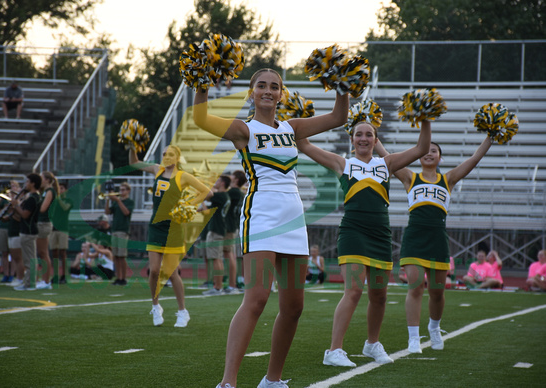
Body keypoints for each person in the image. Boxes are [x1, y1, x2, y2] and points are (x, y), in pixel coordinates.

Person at [194, 68, 349, 388]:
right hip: (261, 216)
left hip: (293, 219)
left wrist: (343, 86)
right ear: (251, 92)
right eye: (261, 86)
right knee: (257, 298)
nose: (268, 90)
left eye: (275, 86)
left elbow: (337, 117)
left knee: (294, 307)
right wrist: (201, 84)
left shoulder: (292, 128)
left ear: (282, 93)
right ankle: (228, 382)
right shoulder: (243, 129)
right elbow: (201, 119)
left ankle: (272, 379)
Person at [296, 116, 431, 367]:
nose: (364, 139)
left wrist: (424, 118)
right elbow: (304, 145)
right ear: (351, 140)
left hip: (380, 234)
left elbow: (422, 148)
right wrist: (300, 115)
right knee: (354, 290)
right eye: (359, 134)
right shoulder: (342, 163)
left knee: (379, 295)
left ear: (375, 140)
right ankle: (334, 350)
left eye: (369, 134)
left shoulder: (386, 163)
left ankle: (372, 344)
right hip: (353, 232)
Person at [376, 135, 493, 353]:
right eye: (426, 150)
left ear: (440, 158)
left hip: (438, 238)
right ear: (419, 154)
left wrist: (490, 137)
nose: (429, 153)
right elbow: (387, 158)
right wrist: (375, 139)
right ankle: (413, 338)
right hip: (415, 237)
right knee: (415, 287)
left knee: (438, 291)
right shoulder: (410, 177)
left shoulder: (448, 179)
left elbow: (474, 159)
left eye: (434, 151)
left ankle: (434, 327)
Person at [130, 144, 211, 328]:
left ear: (177, 157)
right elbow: (134, 162)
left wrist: (189, 203)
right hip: (156, 227)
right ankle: (155, 306)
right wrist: (131, 145)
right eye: (164, 153)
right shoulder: (157, 169)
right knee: (154, 271)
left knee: (172, 273)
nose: (166, 156)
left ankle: (183, 311)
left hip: (174, 228)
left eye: (170, 154)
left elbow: (208, 192)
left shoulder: (183, 176)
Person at [200, 175, 231, 296]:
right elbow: (208, 210)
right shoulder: (224, 196)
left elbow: (207, 194)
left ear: (223, 183)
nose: (215, 182)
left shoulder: (220, 196)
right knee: (216, 258)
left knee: (216, 259)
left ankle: (218, 287)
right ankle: (217, 286)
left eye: (217, 181)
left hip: (216, 230)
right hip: (219, 229)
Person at [11, 173, 42, 291]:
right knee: (29, 259)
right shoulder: (34, 197)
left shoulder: (33, 198)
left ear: (33, 183)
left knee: (29, 260)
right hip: (28, 230)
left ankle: (30, 284)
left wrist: (16, 204)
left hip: (28, 231)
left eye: (27, 182)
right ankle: (29, 282)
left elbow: (24, 214)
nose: (25, 184)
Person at [105, 182, 134, 286]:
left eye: (123, 190)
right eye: (120, 189)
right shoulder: (117, 202)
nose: (121, 192)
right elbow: (107, 212)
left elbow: (126, 212)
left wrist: (117, 200)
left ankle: (123, 278)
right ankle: (118, 277)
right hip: (114, 230)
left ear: (128, 191)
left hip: (123, 230)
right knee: (116, 255)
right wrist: (108, 198)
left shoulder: (130, 202)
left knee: (122, 256)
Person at [223, 170, 246, 293]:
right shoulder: (239, 193)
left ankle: (232, 284)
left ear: (236, 180)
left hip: (229, 226)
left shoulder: (233, 192)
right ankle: (234, 282)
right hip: (234, 225)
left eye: (232, 175)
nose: (230, 177)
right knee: (230, 253)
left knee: (229, 254)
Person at [35, 171, 58, 290]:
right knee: (42, 253)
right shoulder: (45, 192)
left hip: (44, 223)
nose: (40, 181)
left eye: (42, 178)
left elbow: (43, 208)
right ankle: (44, 280)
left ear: (47, 180)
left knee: (43, 253)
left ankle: (46, 280)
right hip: (42, 223)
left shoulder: (49, 192)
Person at [49, 182, 73, 284]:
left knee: (63, 253)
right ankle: (55, 275)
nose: (60, 190)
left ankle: (64, 275)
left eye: (62, 188)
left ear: (66, 190)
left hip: (63, 229)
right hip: (53, 229)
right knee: (54, 253)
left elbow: (65, 208)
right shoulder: (54, 201)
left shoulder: (68, 200)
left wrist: (58, 198)